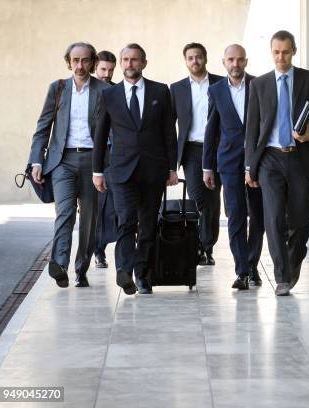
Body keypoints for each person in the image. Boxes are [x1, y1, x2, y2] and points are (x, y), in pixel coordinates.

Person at [245, 30, 309, 296]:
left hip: (300, 156)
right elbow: (253, 129)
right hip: (269, 159)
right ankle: (281, 277)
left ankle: (293, 263)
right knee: (274, 217)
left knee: (301, 220)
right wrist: (250, 167)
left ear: (294, 51)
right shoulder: (259, 85)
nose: (281, 57)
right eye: (276, 52)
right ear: (272, 53)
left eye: (286, 52)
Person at [93, 43, 178, 295]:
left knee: (148, 225)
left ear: (144, 63)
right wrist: (97, 171)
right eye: (126, 60)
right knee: (126, 221)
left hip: (153, 170)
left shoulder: (160, 91)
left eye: (134, 60)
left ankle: (142, 275)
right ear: (121, 64)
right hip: (121, 171)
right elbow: (99, 136)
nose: (130, 64)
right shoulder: (110, 95)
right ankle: (124, 271)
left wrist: (172, 168)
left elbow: (168, 133)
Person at [28, 42, 110, 288]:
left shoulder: (104, 90)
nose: (80, 65)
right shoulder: (58, 88)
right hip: (62, 161)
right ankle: (59, 264)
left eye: (85, 60)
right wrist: (36, 161)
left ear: (92, 63)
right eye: (75, 60)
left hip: (93, 161)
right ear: (69, 62)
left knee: (89, 218)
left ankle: (81, 268)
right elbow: (43, 127)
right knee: (64, 213)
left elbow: (114, 130)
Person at [203, 44, 264, 290]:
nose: (235, 64)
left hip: (257, 161)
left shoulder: (259, 85)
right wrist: (207, 165)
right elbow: (211, 128)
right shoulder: (216, 90)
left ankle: (252, 263)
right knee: (236, 215)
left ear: (246, 61)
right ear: (223, 62)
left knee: (258, 217)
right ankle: (242, 270)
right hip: (228, 162)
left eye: (239, 60)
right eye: (231, 60)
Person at [171, 43, 224, 266]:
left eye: (199, 57)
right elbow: (168, 124)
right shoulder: (177, 88)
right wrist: (170, 162)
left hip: (219, 149)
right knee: (198, 198)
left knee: (212, 201)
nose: (195, 61)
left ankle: (208, 247)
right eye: (190, 58)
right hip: (192, 150)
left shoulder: (221, 83)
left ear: (205, 58)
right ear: (185, 61)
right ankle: (199, 246)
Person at [93, 50, 117, 269]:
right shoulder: (87, 91)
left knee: (106, 206)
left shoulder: (116, 91)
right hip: (84, 155)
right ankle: (94, 248)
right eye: (103, 69)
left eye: (110, 70)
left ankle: (99, 249)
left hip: (109, 157)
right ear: (95, 68)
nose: (107, 74)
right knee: (93, 207)